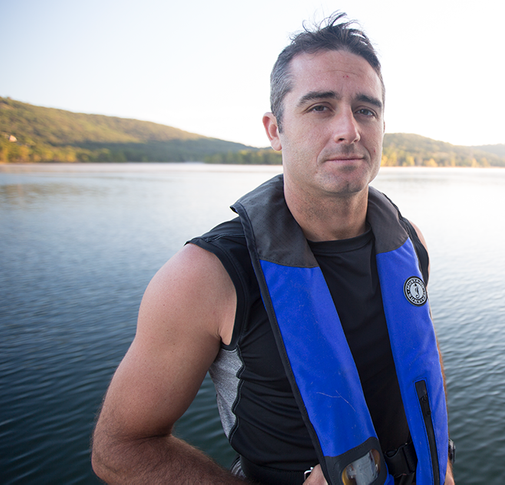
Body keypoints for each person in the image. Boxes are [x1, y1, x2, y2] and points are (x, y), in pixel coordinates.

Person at [92, 13, 454, 485]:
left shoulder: (408, 243)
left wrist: (443, 464)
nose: (350, 129)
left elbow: (423, 356)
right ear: (274, 129)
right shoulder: (206, 276)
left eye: (366, 109)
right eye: (320, 107)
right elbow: (121, 449)